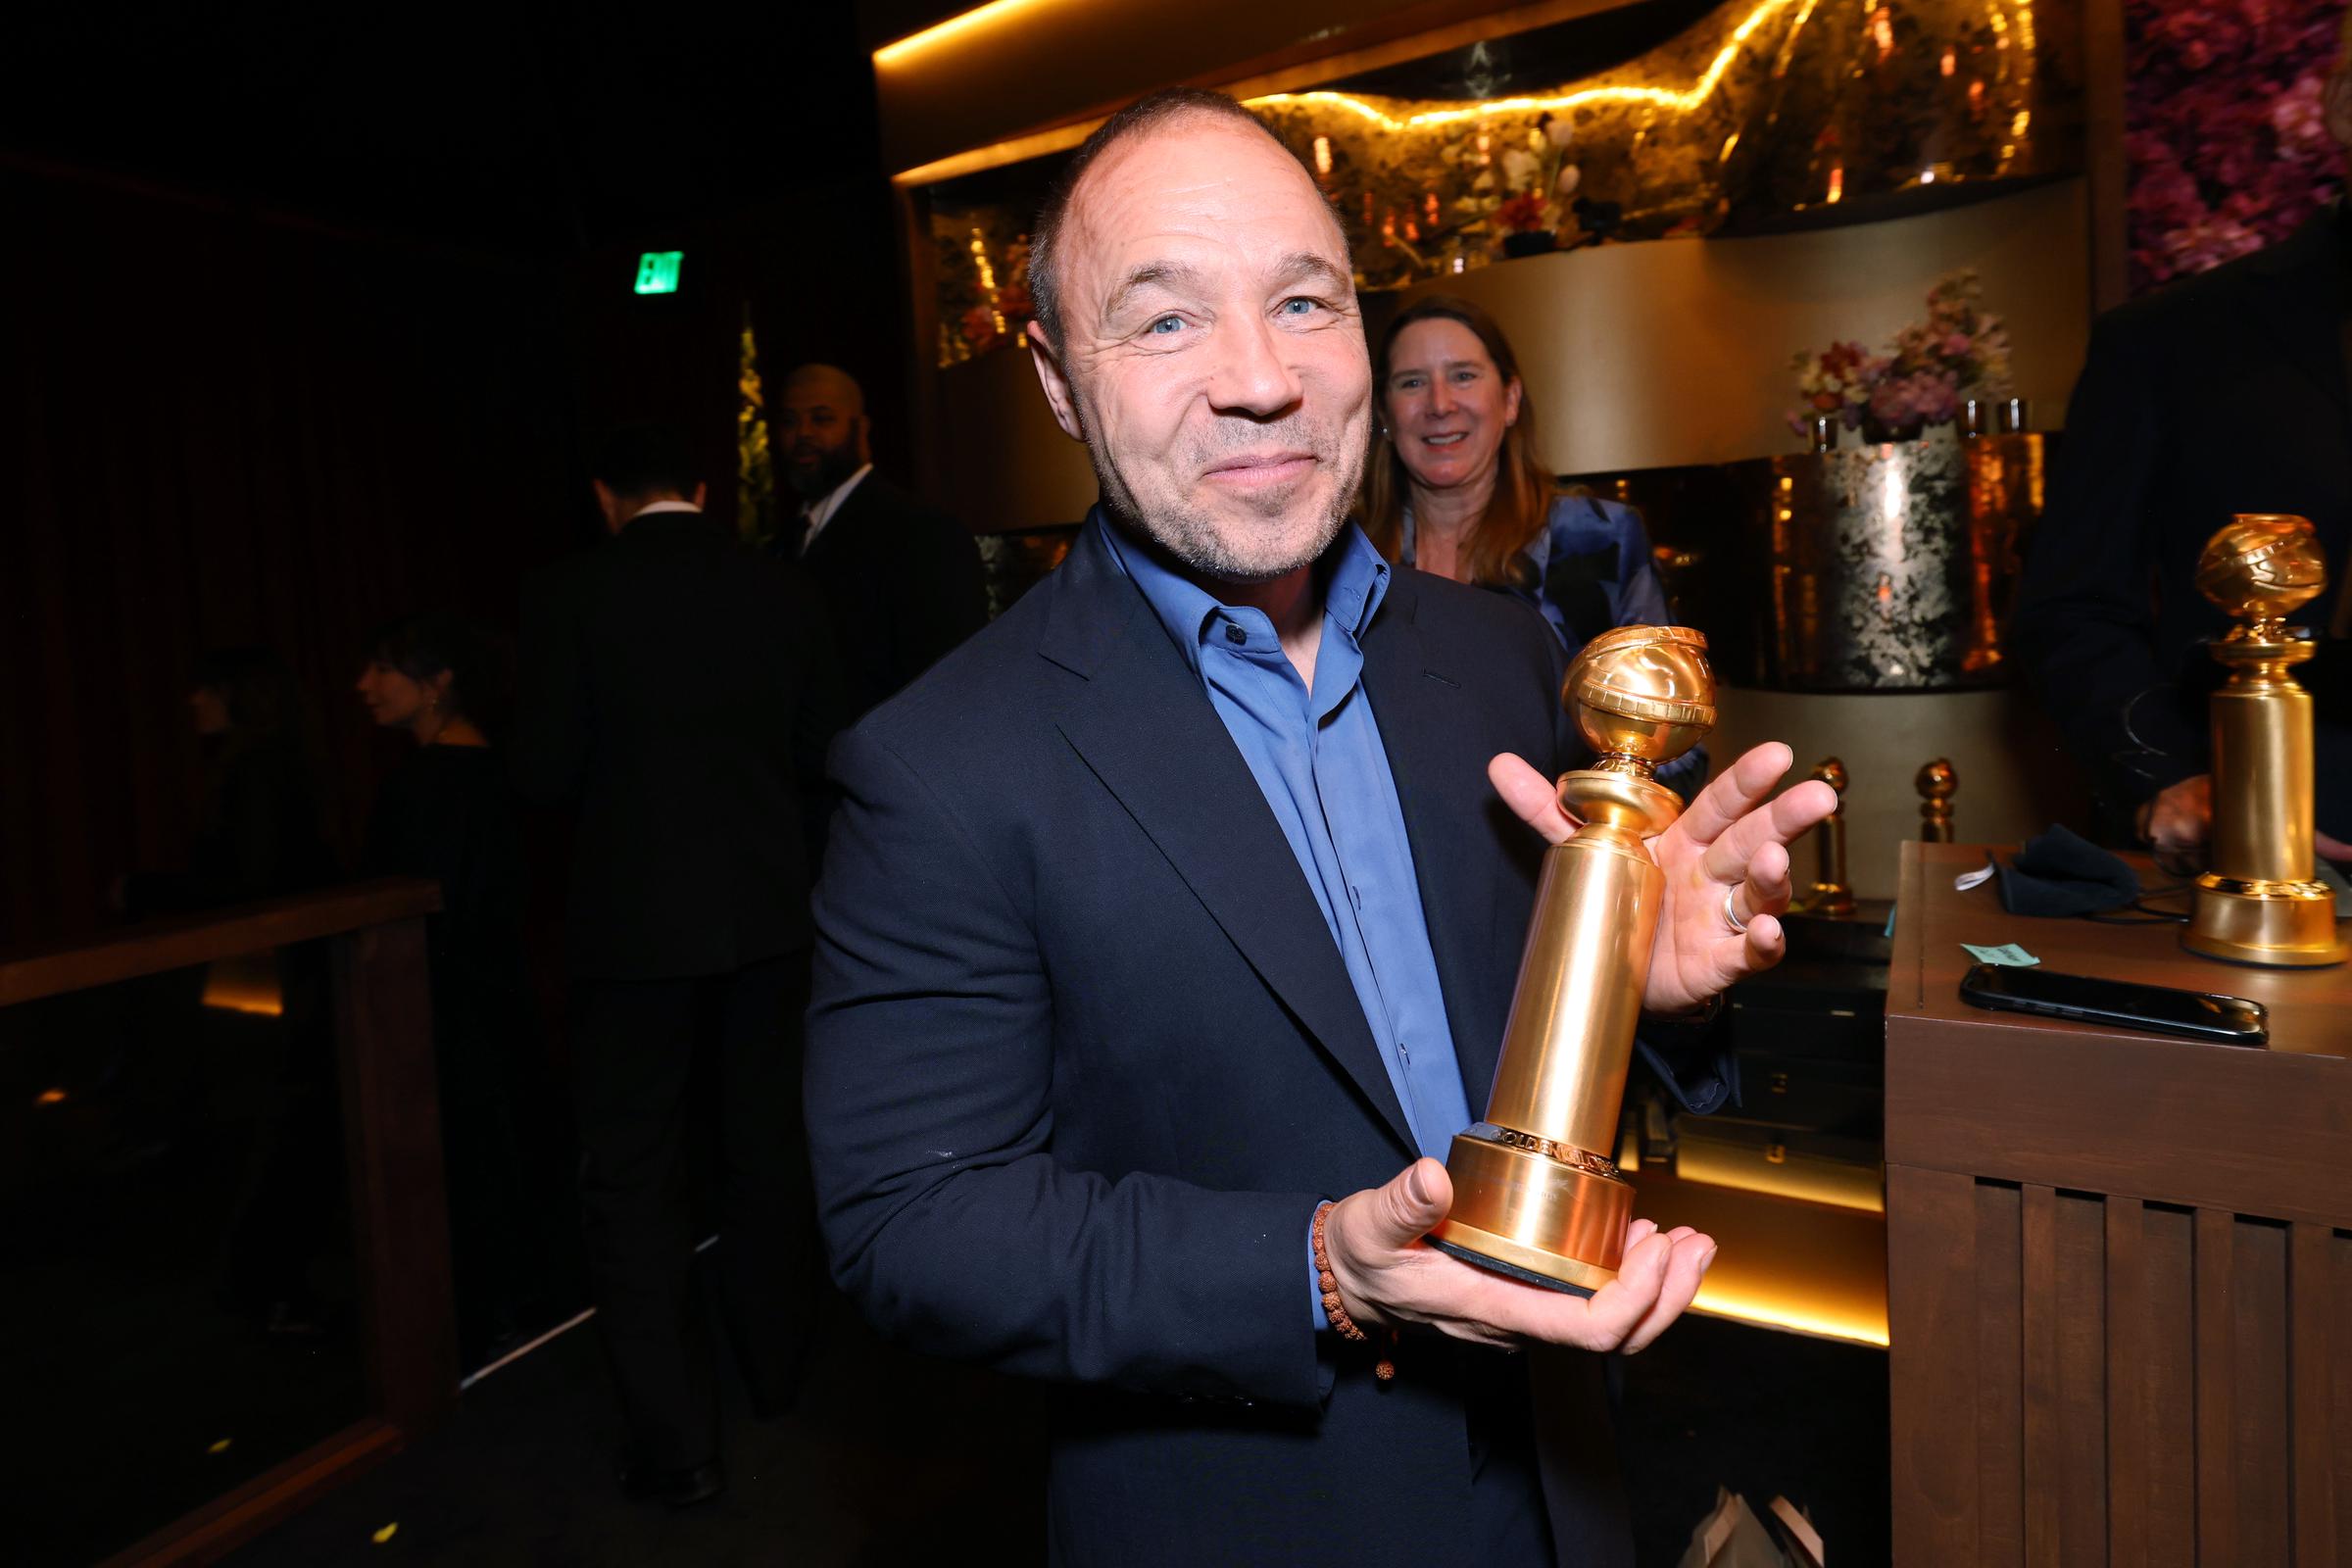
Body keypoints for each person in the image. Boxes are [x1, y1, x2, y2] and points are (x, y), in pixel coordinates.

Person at [805, 89, 1835, 1567]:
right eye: (1166, 320)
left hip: (1561, 1475)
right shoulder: (944, 764)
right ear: (1055, 378)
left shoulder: (1495, 655)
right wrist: (1316, 1271)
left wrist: (1630, 978)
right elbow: (914, 1225)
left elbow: (1518, 1058)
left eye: (1303, 301)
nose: (1261, 379)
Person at [510, 425, 842, 1507]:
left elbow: (542, 773)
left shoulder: (567, 594)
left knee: (635, 1178)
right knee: (767, 1152)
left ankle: (677, 1447)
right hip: (769, 918)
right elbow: (822, 753)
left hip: (632, 930)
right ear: (701, 488)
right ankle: (777, 1379)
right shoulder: (782, 589)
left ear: (605, 496)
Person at [2010, 24, 2352, 862]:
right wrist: (2164, 781)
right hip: (2264, 858)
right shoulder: (2173, 341)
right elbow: (2073, 607)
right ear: (2343, 107)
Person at [1363, 293, 1705, 796]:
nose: (1439, 404)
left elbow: (1673, 736)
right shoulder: (1345, 558)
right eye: (1412, 382)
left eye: (1463, 375)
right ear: (1384, 414)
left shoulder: (1598, 539)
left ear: (1510, 400)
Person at [357, 612, 562, 1369]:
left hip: (444, 1010)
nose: (364, 685)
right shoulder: (494, 771)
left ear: (438, 681)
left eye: (384, 668)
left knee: (469, 1163)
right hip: (493, 1003)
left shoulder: (430, 784)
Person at [774, 362, 989, 717]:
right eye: (789, 421)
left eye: (822, 419)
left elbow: (951, 682)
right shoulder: (782, 543)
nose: (803, 434)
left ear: (861, 429)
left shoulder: (921, 532)